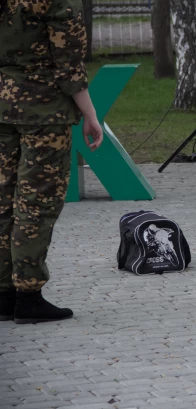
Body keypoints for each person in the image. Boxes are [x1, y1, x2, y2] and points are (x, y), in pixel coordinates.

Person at [0, 0, 103, 323]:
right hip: (44, 110)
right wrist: (90, 114)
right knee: (37, 201)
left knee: (3, 199)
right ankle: (28, 295)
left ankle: (4, 294)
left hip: (2, 105)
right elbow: (68, 65)